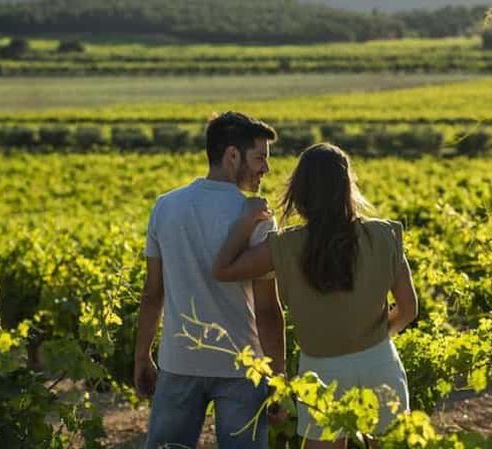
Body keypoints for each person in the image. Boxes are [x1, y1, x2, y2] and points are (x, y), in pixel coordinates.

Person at [212, 143, 418, 449]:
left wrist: (246, 222)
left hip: (321, 372)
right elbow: (409, 309)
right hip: (380, 363)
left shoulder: (284, 245)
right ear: (347, 187)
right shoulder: (383, 235)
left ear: (300, 191)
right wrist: (372, 335)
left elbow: (224, 269)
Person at [134, 111, 286, 449]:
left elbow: (152, 293)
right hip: (243, 368)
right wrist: (278, 376)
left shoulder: (165, 207)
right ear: (232, 155)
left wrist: (143, 355)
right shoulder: (258, 216)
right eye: (260, 157)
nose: (266, 168)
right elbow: (267, 309)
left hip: (179, 361)